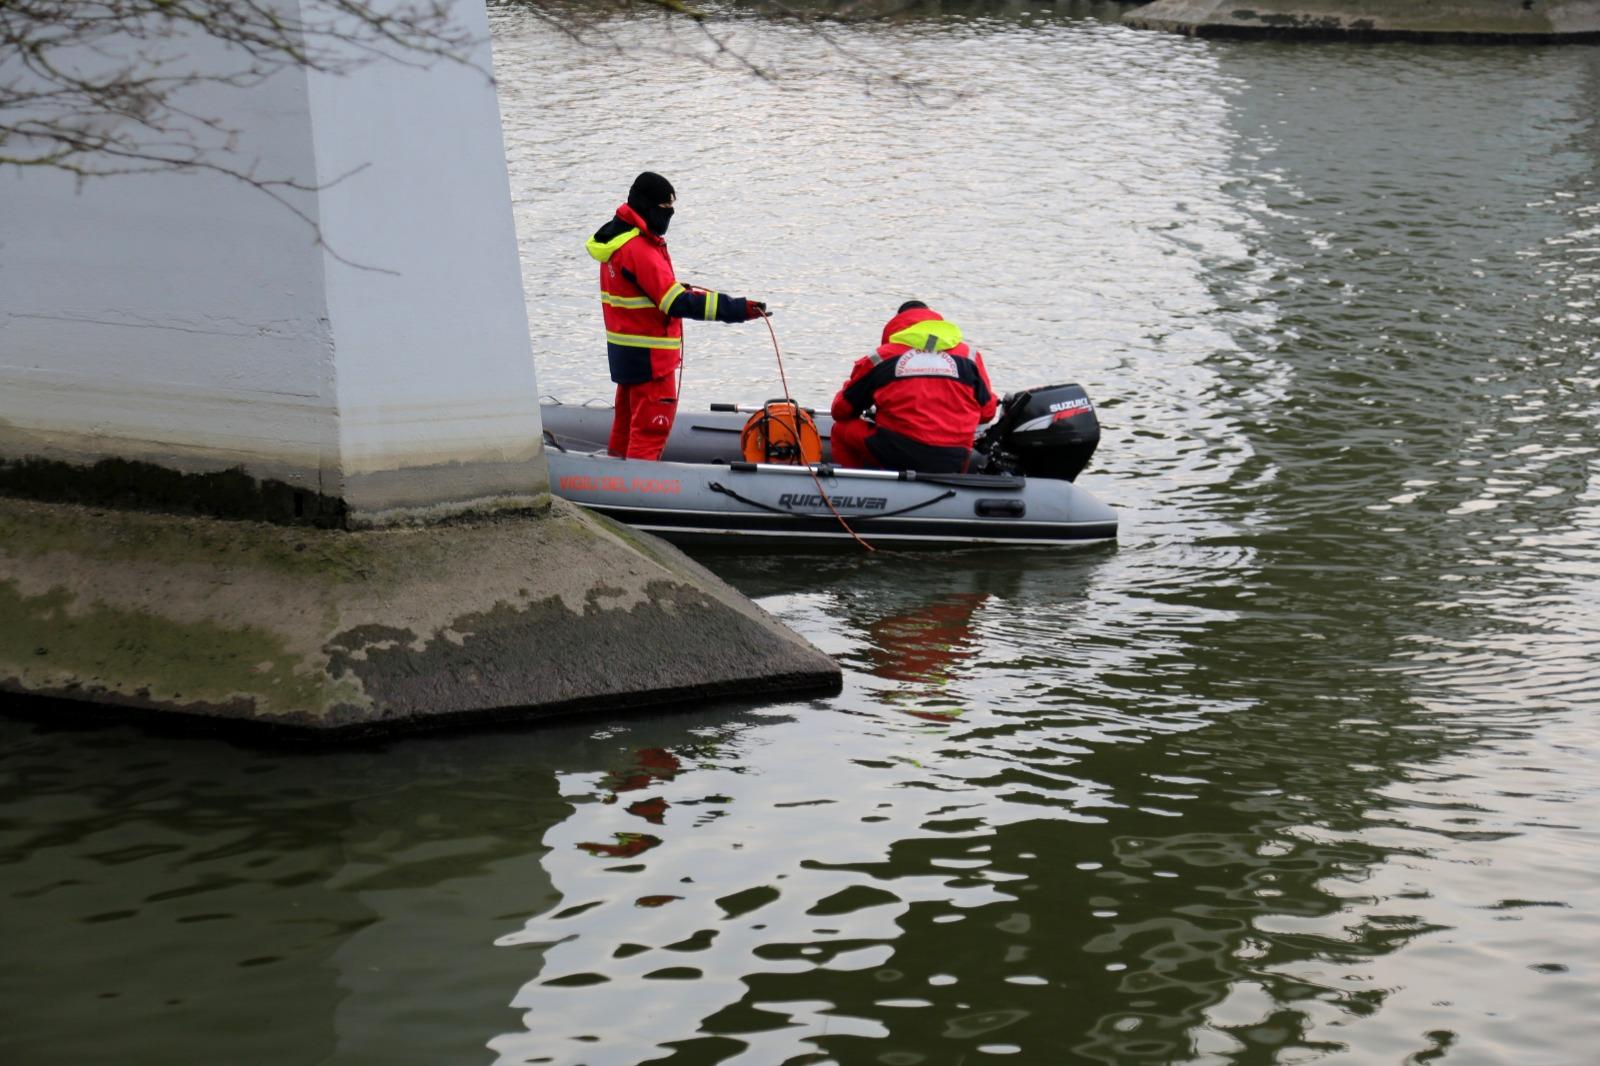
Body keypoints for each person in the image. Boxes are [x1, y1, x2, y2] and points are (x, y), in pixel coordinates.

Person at [585, 171, 768, 460]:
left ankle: (615, 483)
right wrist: (738, 309)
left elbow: (639, 290)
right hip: (652, 362)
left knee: (625, 427)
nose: (669, 215)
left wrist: (665, 288)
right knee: (649, 431)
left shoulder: (617, 239)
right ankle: (637, 493)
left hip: (627, 357)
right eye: (665, 209)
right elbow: (676, 303)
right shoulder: (640, 249)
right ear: (647, 207)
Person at [829, 301, 999, 473]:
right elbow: (987, 413)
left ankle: (861, 487)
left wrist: (848, 388)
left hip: (899, 454)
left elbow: (841, 411)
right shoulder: (969, 357)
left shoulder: (882, 358)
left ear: (897, 324)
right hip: (954, 458)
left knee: (841, 429)